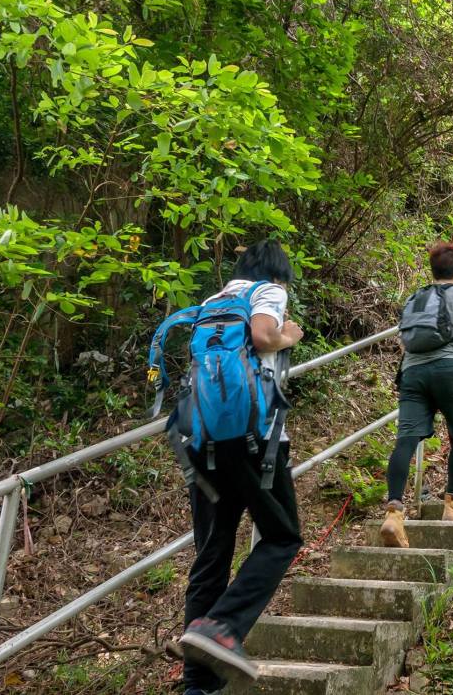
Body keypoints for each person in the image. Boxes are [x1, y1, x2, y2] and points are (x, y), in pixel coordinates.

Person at [177, 240, 305, 695]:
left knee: (211, 556)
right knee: (283, 536)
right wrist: (291, 336)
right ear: (277, 273)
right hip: (255, 441)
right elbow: (265, 336)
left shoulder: (214, 300)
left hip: (202, 440)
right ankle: (223, 626)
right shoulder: (268, 291)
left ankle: (197, 685)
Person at [380, 242, 453, 548]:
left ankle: (394, 514)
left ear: (433, 270)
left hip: (412, 373)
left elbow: (405, 338)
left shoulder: (415, 297)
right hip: (448, 369)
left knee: (405, 441)